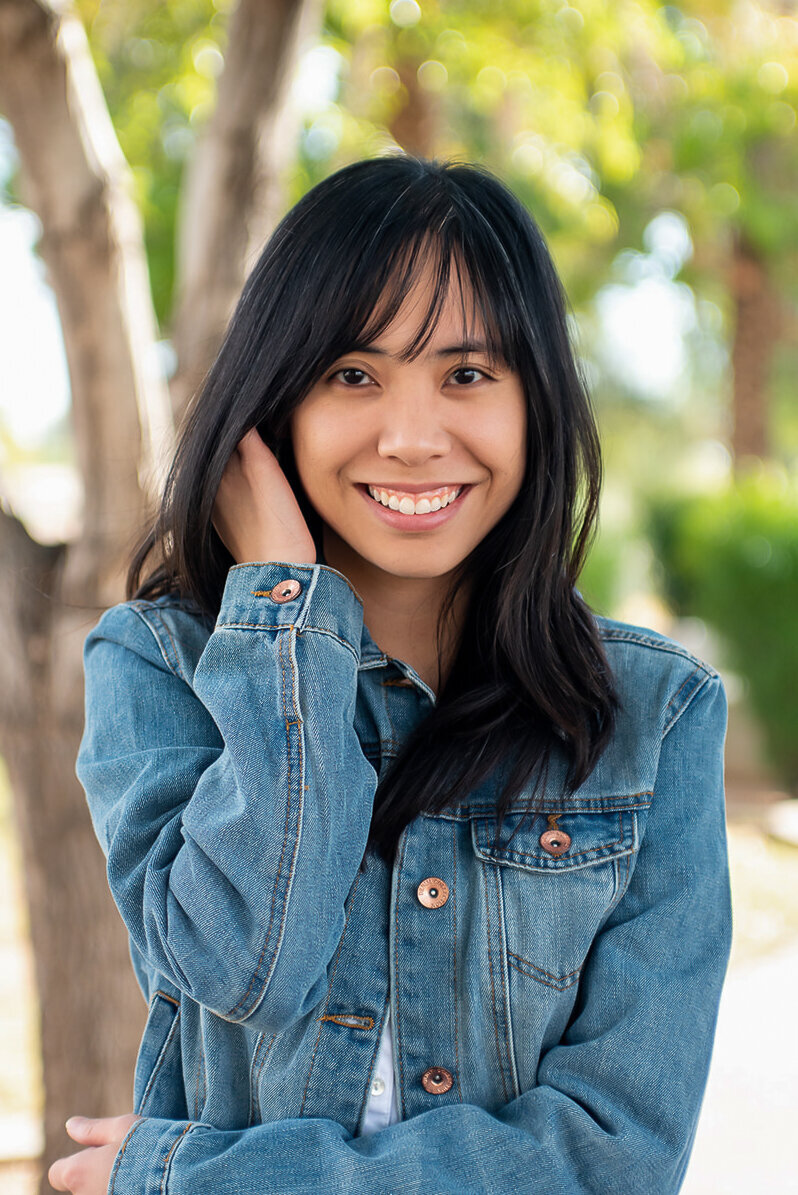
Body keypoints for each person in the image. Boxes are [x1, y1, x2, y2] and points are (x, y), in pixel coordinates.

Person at [50, 155, 732, 1195]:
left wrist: (206, 1178)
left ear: (535, 400)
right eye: (354, 375)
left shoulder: (656, 718)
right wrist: (284, 607)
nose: (413, 439)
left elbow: (615, 1157)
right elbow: (245, 969)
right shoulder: (159, 667)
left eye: (467, 374)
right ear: (275, 402)